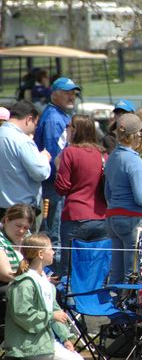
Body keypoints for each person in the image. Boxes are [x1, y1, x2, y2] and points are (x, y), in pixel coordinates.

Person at [104, 114, 142, 284]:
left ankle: (114, 306)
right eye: (140, 133)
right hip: (133, 220)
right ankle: (128, 307)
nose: (141, 136)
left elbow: (107, 194)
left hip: (113, 218)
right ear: (134, 135)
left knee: (116, 272)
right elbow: (141, 198)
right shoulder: (133, 160)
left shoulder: (113, 157)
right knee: (133, 272)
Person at [5, 234, 82, 360]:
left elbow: (56, 312)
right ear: (41, 254)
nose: (53, 252)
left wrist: (65, 338)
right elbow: (22, 314)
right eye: (50, 249)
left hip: (46, 344)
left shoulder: (47, 284)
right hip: (27, 348)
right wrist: (51, 315)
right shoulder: (25, 283)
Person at [54, 115, 108, 276]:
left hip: (75, 216)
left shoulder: (70, 152)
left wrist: (58, 168)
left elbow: (62, 188)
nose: (66, 129)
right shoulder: (102, 154)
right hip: (100, 217)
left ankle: (68, 300)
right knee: (96, 268)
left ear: (76, 130)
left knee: (69, 268)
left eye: (69, 126)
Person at [35, 77, 81, 248]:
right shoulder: (54, 119)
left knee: (55, 231)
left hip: (56, 184)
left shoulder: (60, 115)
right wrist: (65, 180)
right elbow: (54, 156)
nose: (71, 97)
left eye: (73, 93)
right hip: (54, 185)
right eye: (67, 93)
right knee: (54, 234)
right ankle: (54, 270)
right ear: (54, 95)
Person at [0, 101, 50, 217]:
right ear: (29, 119)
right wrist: (44, 157)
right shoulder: (22, 141)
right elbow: (40, 172)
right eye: (35, 124)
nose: (34, 129)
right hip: (20, 210)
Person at [0, 205, 35, 284]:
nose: (21, 231)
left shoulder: (27, 236)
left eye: (26, 228)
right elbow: (5, 275)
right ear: (7, 220)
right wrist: (34, 281)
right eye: (18, 226)